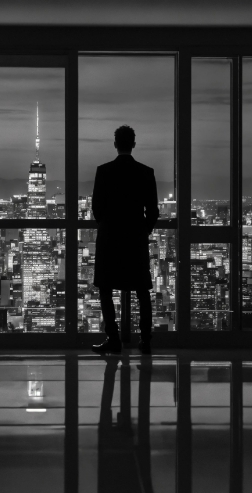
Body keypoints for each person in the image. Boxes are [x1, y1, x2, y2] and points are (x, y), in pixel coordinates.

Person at [91, 125, 159, 354]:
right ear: (133, 144)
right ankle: (146, 341)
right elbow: (153, 212)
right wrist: (143, 231)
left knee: (105, 289)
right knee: (142, 291)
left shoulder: (104, 171)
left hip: (110, 240)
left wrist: (108, 226)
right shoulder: (146, 173)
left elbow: (96, 209)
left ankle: (113, 339)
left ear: (115, 144)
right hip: (135, 242)